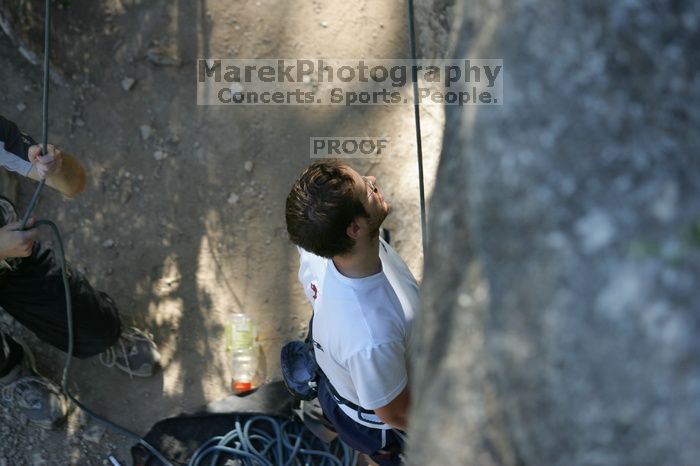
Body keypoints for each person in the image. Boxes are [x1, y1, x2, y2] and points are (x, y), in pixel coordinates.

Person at [0, 114, 161, 429]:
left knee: (92, 324)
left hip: (10, 257)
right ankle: (10, 371)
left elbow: (74, 184)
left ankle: (107, 336)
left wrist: (55, 168)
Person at [285, 160, 419, 465]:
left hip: (341, 363)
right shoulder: (373, 337)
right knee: (386, 453)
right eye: (368, 190)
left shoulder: (319, 243)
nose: (373, 179)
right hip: (374, 417)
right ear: (355, 228)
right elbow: (395, 412)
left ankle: (326, 417)